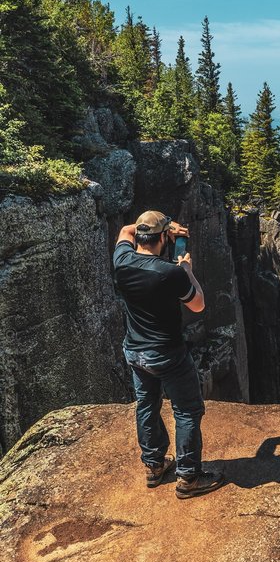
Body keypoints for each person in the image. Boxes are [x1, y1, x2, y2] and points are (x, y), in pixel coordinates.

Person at [113, 210, 224, 498]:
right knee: (186, 410)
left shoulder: (122, 261)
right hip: (167, 354)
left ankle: (154, 466)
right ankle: (188, 477)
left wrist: (163, 227)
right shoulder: (170, 272)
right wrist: (187, 269)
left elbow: (125, 232)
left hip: (135, 352)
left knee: (146, 404)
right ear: (163, 237)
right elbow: (198, 304)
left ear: (140, 235)